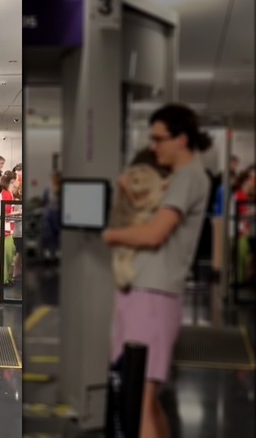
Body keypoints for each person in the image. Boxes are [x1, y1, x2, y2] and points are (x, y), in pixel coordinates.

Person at [102, 103, 211, 438]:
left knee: (141, 400)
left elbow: (154, 234)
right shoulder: (181, 179)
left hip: (152, 297)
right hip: (145, 294)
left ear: (182, 139)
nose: (154, 146)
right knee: (146, 399)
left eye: (159, 139)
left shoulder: (190, 177)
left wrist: (110, 235)